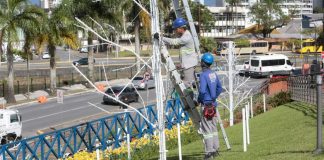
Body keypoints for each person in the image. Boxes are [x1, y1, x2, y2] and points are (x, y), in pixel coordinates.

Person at [153, 18, 198, 87]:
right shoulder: (185, 35)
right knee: (187, 84)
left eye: (176, 29)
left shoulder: (186, 37)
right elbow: (186, 53)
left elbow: (174, 42)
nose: (175, 31)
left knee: (187, 85)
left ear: (181, 28)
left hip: (189, 65)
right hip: (188, 64)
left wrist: (160, 37)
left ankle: (191, 97)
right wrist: (182, 64)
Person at [198, 52, 222, 160]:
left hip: (206, 106)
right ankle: (216, 148)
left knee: (207, 130)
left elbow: (202, 91)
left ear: (203, 62)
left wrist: (199, 99)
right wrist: (214, 97)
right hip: (213, 104)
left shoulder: (203, 75)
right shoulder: (213, 73)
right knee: (213, 128)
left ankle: (209, 153)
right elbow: (219, 88)